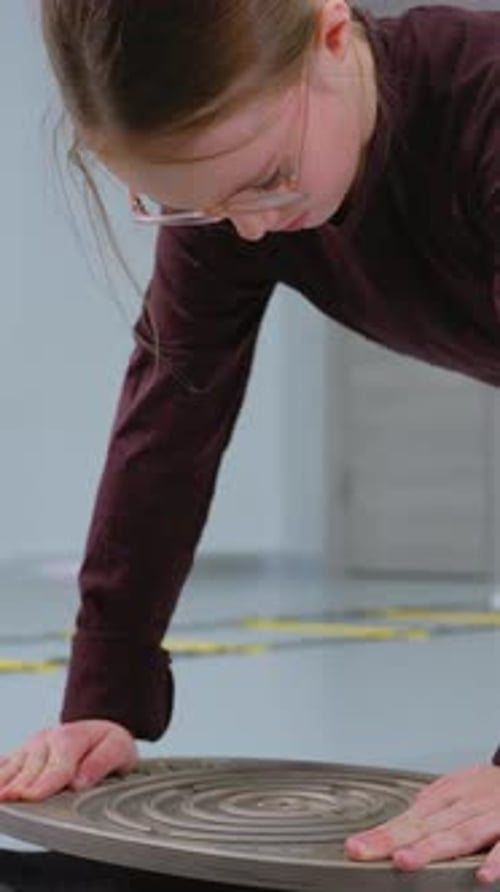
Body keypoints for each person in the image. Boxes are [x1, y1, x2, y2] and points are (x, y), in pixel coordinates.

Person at [0, 0, 498, 881]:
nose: (250, 228)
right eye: (188, 205)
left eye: (265, 178)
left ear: (333, 34)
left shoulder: (484, 107)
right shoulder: (237, 207)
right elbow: (170, 416)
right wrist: (104, 695)